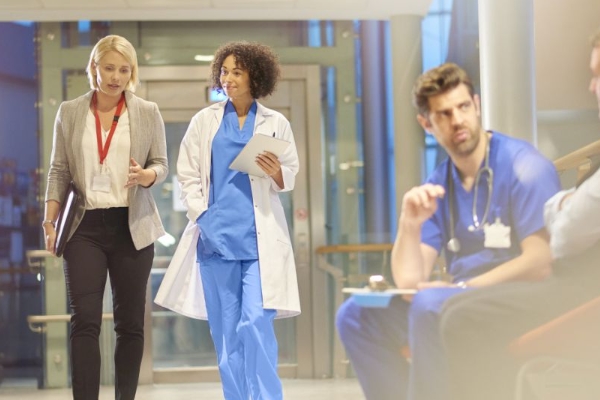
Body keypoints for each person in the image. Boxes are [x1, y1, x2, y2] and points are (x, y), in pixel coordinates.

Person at [335, 62, 561, 400]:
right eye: (444, 114)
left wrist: (462, 289)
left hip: (516, 300)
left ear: (477, 105)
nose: (457, 120)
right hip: (455, 302)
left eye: (463, 107)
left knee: (430, 304)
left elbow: (540, 261)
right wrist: (409, 224)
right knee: (355, 316)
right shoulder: (439, 184)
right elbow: (410, 280)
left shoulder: (524, 165)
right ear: (426, 124)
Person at [440, 27, 600, 400]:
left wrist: (564, 205)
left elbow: (564, 236)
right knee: (450, 308)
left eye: (598, 75)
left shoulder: (526, 166)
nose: (592, 87)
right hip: (573, 283)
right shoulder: (441, 181)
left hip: (586, 291)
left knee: (461, 317)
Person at [154, 41, 300, 400]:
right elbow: (188, 174)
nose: (228, 78)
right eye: (224, 71)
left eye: (237, 72)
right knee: (227, 336)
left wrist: (276, 172)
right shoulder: (205, 121)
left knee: (255, 323)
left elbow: (290, 175)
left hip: (258, 242)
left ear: (255, 77)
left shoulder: (275, 123)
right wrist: (202, 215)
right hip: (215, 239)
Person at [43, 34, 168, 400]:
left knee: (130, 324)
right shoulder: (70, 111)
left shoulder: (147, 111)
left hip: (132, 225)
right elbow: (58, 170)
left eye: (124, 70)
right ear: (94, 67)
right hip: (84, 226)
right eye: (109, 68)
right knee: (85, 319)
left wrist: (147, 176)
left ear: (132, 72)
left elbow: (161, 164)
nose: (116, 77)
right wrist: (49, 222)